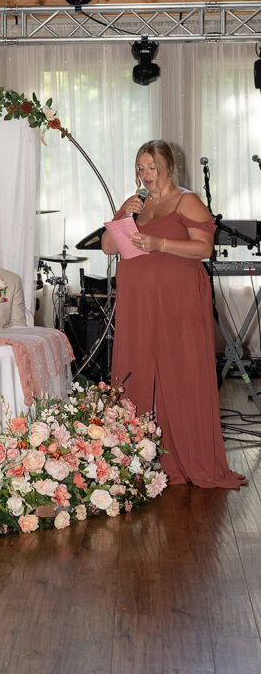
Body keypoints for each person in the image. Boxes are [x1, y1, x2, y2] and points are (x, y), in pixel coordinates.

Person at [102, 139, 245, 489]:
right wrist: (122, 212)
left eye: (151, 166)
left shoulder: (186, 199)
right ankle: (135, 458)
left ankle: (192, 458)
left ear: (168, 167)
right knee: (136, 370)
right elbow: (108, 247)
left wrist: (160, 244)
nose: (145, 174)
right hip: (138, 302)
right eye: (140, 167)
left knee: (181, 372)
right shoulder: (139, 204)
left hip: (178, 300)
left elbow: (204, 248)